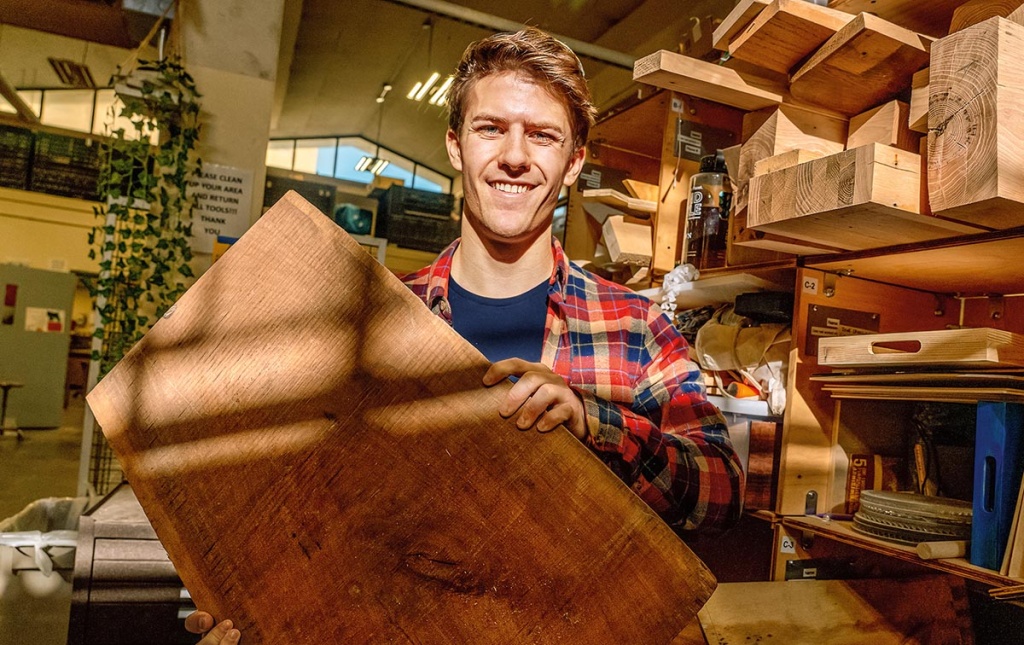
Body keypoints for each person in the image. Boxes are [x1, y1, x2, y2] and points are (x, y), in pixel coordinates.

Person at [189, 26, 743, 644]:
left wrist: (594, 425)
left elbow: (720, 493)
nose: (514, 156)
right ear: (454, 145)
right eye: (491, 128)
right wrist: (255, 608)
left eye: (542, 135)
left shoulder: (635, 327)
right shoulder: (374, 319)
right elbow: (305, 499)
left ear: (574, 161)